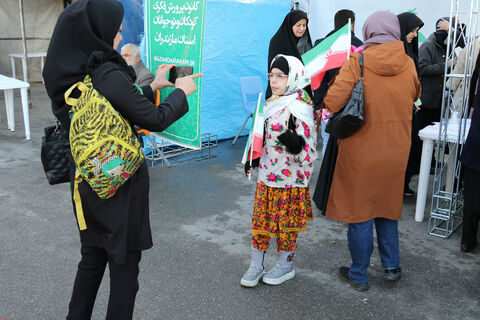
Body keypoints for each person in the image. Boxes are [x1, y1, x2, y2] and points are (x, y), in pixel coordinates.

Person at [42, 0, 201, 319]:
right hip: (118, 186)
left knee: (91, 260)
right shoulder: (107, 73)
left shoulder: (73, 76)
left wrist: (152, 85)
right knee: (124, 274)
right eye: (114, 32)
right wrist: (181, 91)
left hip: (86, 183)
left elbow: (111, 109)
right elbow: (155, 119)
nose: (117, 38)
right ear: (97, 33)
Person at [323, 11, 421, 291]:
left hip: (362, 151)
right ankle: (391, 267)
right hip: (397, 150)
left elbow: (332, 101)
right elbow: (415, 94)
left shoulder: (358, 60)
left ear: (368, 32)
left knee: (361, 211)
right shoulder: (408, 62)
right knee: (387, 207)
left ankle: (359, 274)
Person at [240, 54, 317, 287]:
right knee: (260, 224)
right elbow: (260, 135)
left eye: (280, 76)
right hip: (267, 175)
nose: (274, 81)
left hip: (290, 181)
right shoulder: (272, 101)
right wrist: (250, 157)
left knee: (286, 226)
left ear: (292, 77)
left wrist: (297, 146)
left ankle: (286, 265)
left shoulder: (300, 107)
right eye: (271, 75)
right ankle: (256, 265)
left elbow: (310, 154)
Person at [313, 9, 363, 156]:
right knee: (348, 146)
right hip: (352, 105)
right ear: (352, 25)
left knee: (328, 142)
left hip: (327, 104)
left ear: (335, 23)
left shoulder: (321, 45)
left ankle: (326, 177)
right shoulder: (360, 47)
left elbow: (317, 78)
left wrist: (318, 104)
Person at [397, 12, 424, 197]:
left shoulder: (410, 50)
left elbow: (414, 80)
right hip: (398, 110)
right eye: (412, 31)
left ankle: (403, 184)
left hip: (410, 107)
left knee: (412, 146)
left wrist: (416, 99)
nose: (415, 35)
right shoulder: (397, 50)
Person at [418, 17, 460, 129]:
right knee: (423, 131)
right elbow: (422, 69)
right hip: (426, 101)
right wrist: (446, 65)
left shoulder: (447, 45)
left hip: (440, 101)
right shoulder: (428, 45)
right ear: (442, 35)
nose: (451, 40)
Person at [266, 10, 312, 99]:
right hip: (282, 91)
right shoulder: (277, 42)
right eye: (298, 25)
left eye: (304, 25)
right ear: (290, 25)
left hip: (304, 89)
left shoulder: (306, 41)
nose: (302, 29)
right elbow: (274, 70)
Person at [459, 68, 480, 253]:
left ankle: (467, 239)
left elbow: (473, 81)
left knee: (472, 195)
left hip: (476, 140)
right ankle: (467, 238)